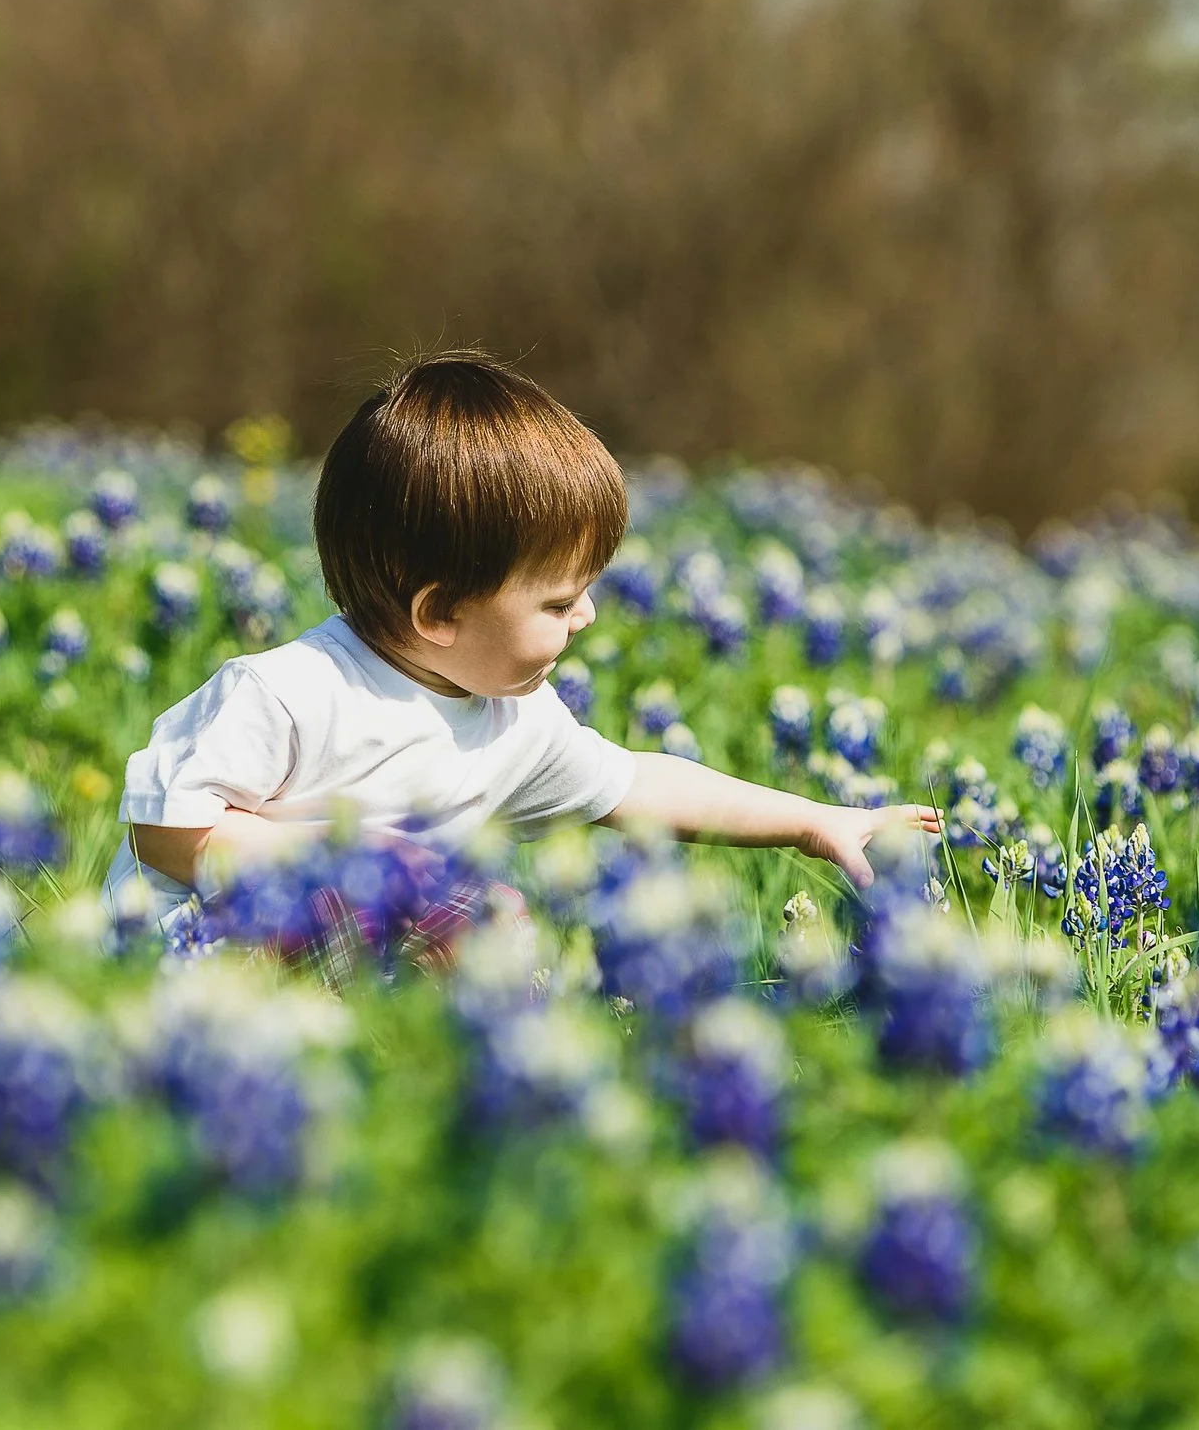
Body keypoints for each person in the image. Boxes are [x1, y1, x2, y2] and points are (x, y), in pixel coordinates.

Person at [101, 349, 942, 971]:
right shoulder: (286, 692)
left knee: (498, 926)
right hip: (187, 977)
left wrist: (813, 820)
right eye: (556, 601)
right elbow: (169, 831)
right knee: (456, 907)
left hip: (351, 998)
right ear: (440, 611)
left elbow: (640, 785)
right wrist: (371, 870)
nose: (589, 615)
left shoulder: (517, 720)